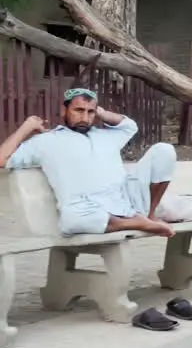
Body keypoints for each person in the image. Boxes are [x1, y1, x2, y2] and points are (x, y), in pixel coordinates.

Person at [0, 88, 177, 238]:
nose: (84, 117)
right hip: (87, 208)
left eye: (90, 112)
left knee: (164, 150)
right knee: (72, 219)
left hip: (127, 201)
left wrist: (100, 111)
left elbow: (130, 126)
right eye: (78, 110)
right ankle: (136, 223)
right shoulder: (46, 141)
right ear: (64, 110)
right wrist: (27, 127)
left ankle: (149, 216)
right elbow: (2, 159)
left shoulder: (108, 136)